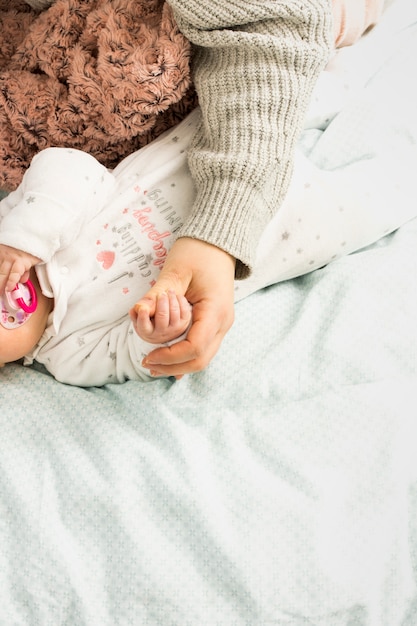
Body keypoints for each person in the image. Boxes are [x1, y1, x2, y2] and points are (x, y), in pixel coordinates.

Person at [6, 0, 384, 380]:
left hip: (222, 136)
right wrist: (158, 332)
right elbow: (133, 358)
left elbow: (71, 167)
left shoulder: (18, 222)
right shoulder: (68, 356)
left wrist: (29, 234)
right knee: (378, 197)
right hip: (282, 235)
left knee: (335, 71)